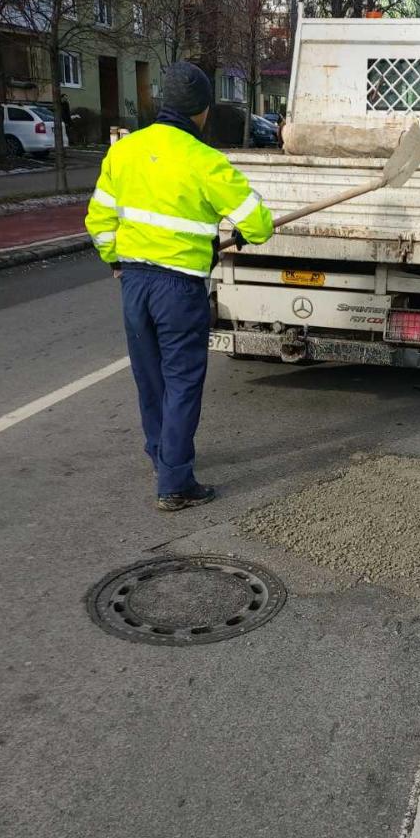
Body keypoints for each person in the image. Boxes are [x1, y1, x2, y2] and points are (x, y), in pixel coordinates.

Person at [85, 61, 274, 511]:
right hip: (179, 289)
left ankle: (160, 454)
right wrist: (245, 230)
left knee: (149, 378)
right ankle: (175, 483)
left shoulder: (125, 151)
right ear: (203, 111)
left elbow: (99, 219)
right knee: (183, 380)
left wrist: (114, 258)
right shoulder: (205, 161)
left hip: (134, 284)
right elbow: (259, 223)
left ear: (161, 102)